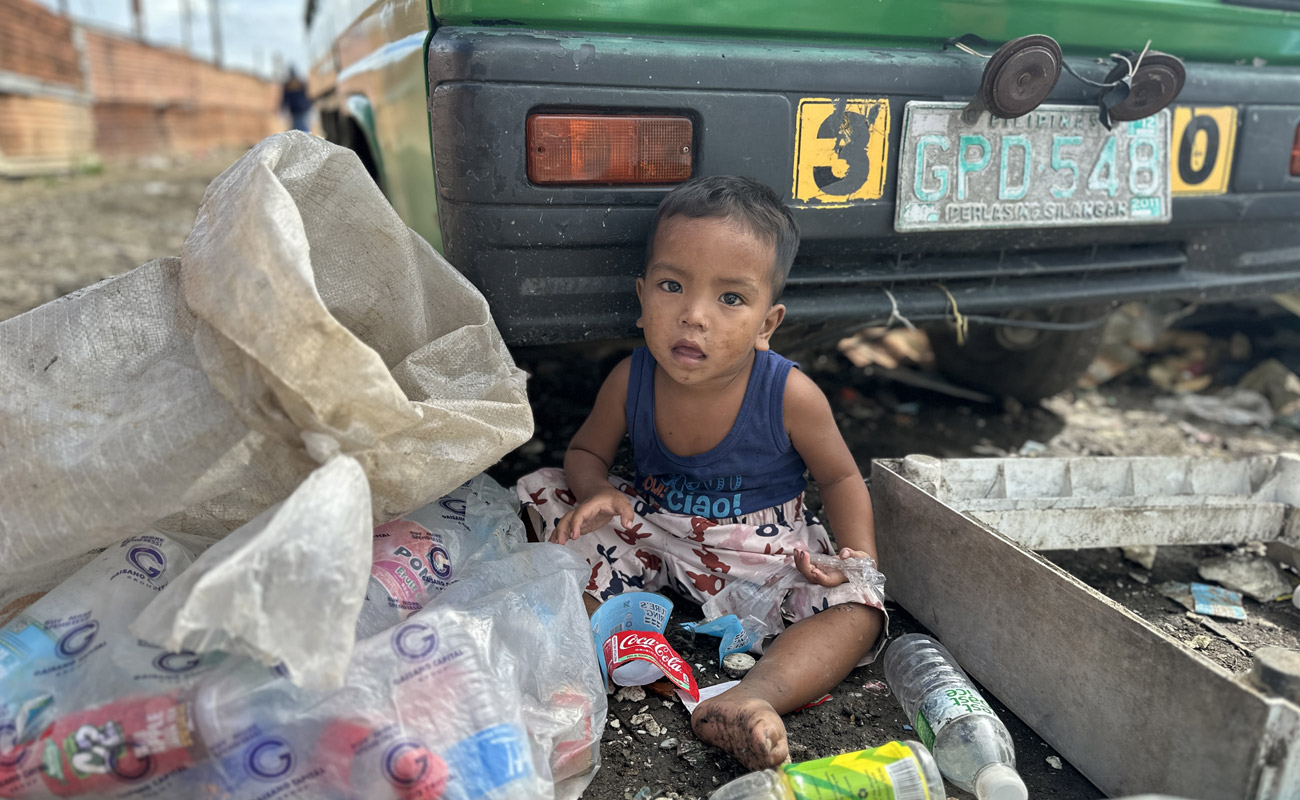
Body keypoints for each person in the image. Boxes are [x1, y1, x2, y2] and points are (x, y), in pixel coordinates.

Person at [515, 175, 887, 771]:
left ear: (768, 323)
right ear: (641, 299)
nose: (693, 316)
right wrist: (596, 492)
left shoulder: (790, 394)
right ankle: (586, 656)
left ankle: (753, 695)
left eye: (731, 299)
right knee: (547, 495)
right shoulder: (628, 380)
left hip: (759, 551)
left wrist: (854, 556)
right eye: (671, 286)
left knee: (859, 607)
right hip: (653, 524)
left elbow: (842, 480)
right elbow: (584, 454)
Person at [281, 68, 312, 133]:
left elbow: (307, 96)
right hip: (297, 110)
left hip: (301, 109)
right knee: (298, 126)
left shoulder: (291, 85)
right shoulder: (297, 84)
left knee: (300, 126)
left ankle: (305, 137)